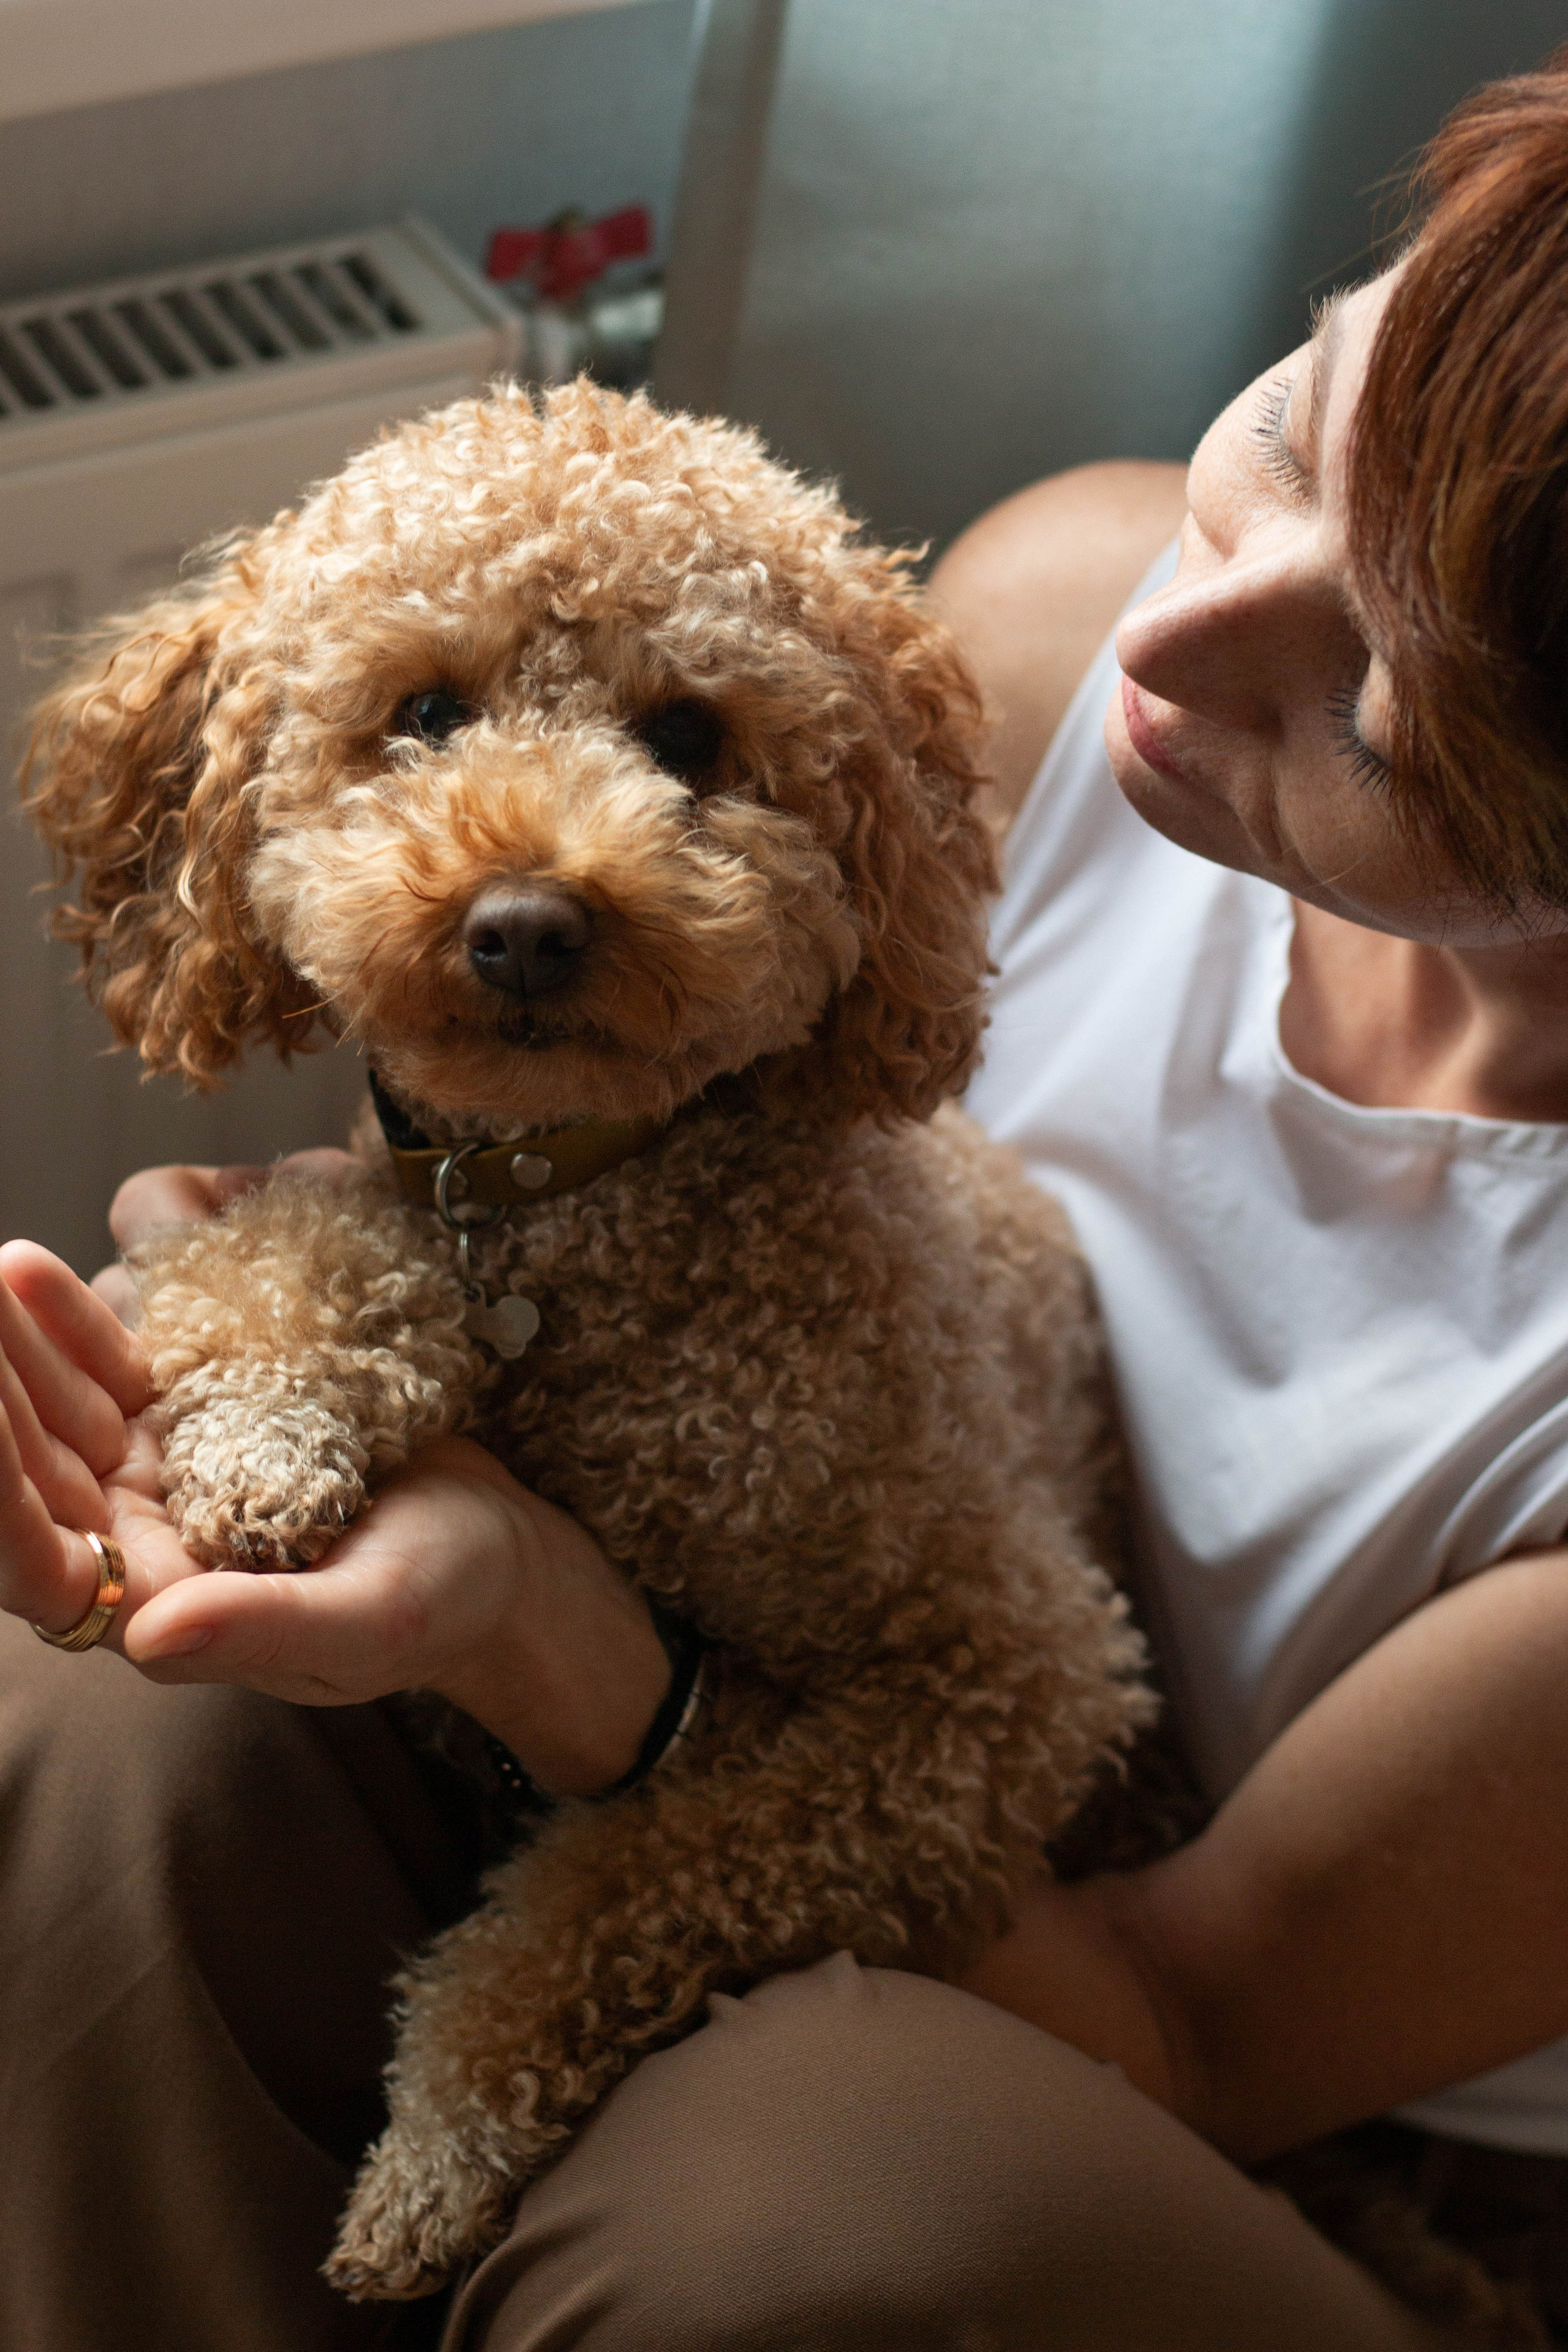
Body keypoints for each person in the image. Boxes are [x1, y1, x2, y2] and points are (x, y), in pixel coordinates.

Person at [6, 53, 1568, 2352]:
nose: (1182, 634)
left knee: (778, 2188)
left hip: (1240, 2082)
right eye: (1299, 434)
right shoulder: (1057, 618)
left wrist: (542, 1629)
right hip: (760, 1641)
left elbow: (1180, 2026)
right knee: (101, 1722)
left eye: (1371, 715)